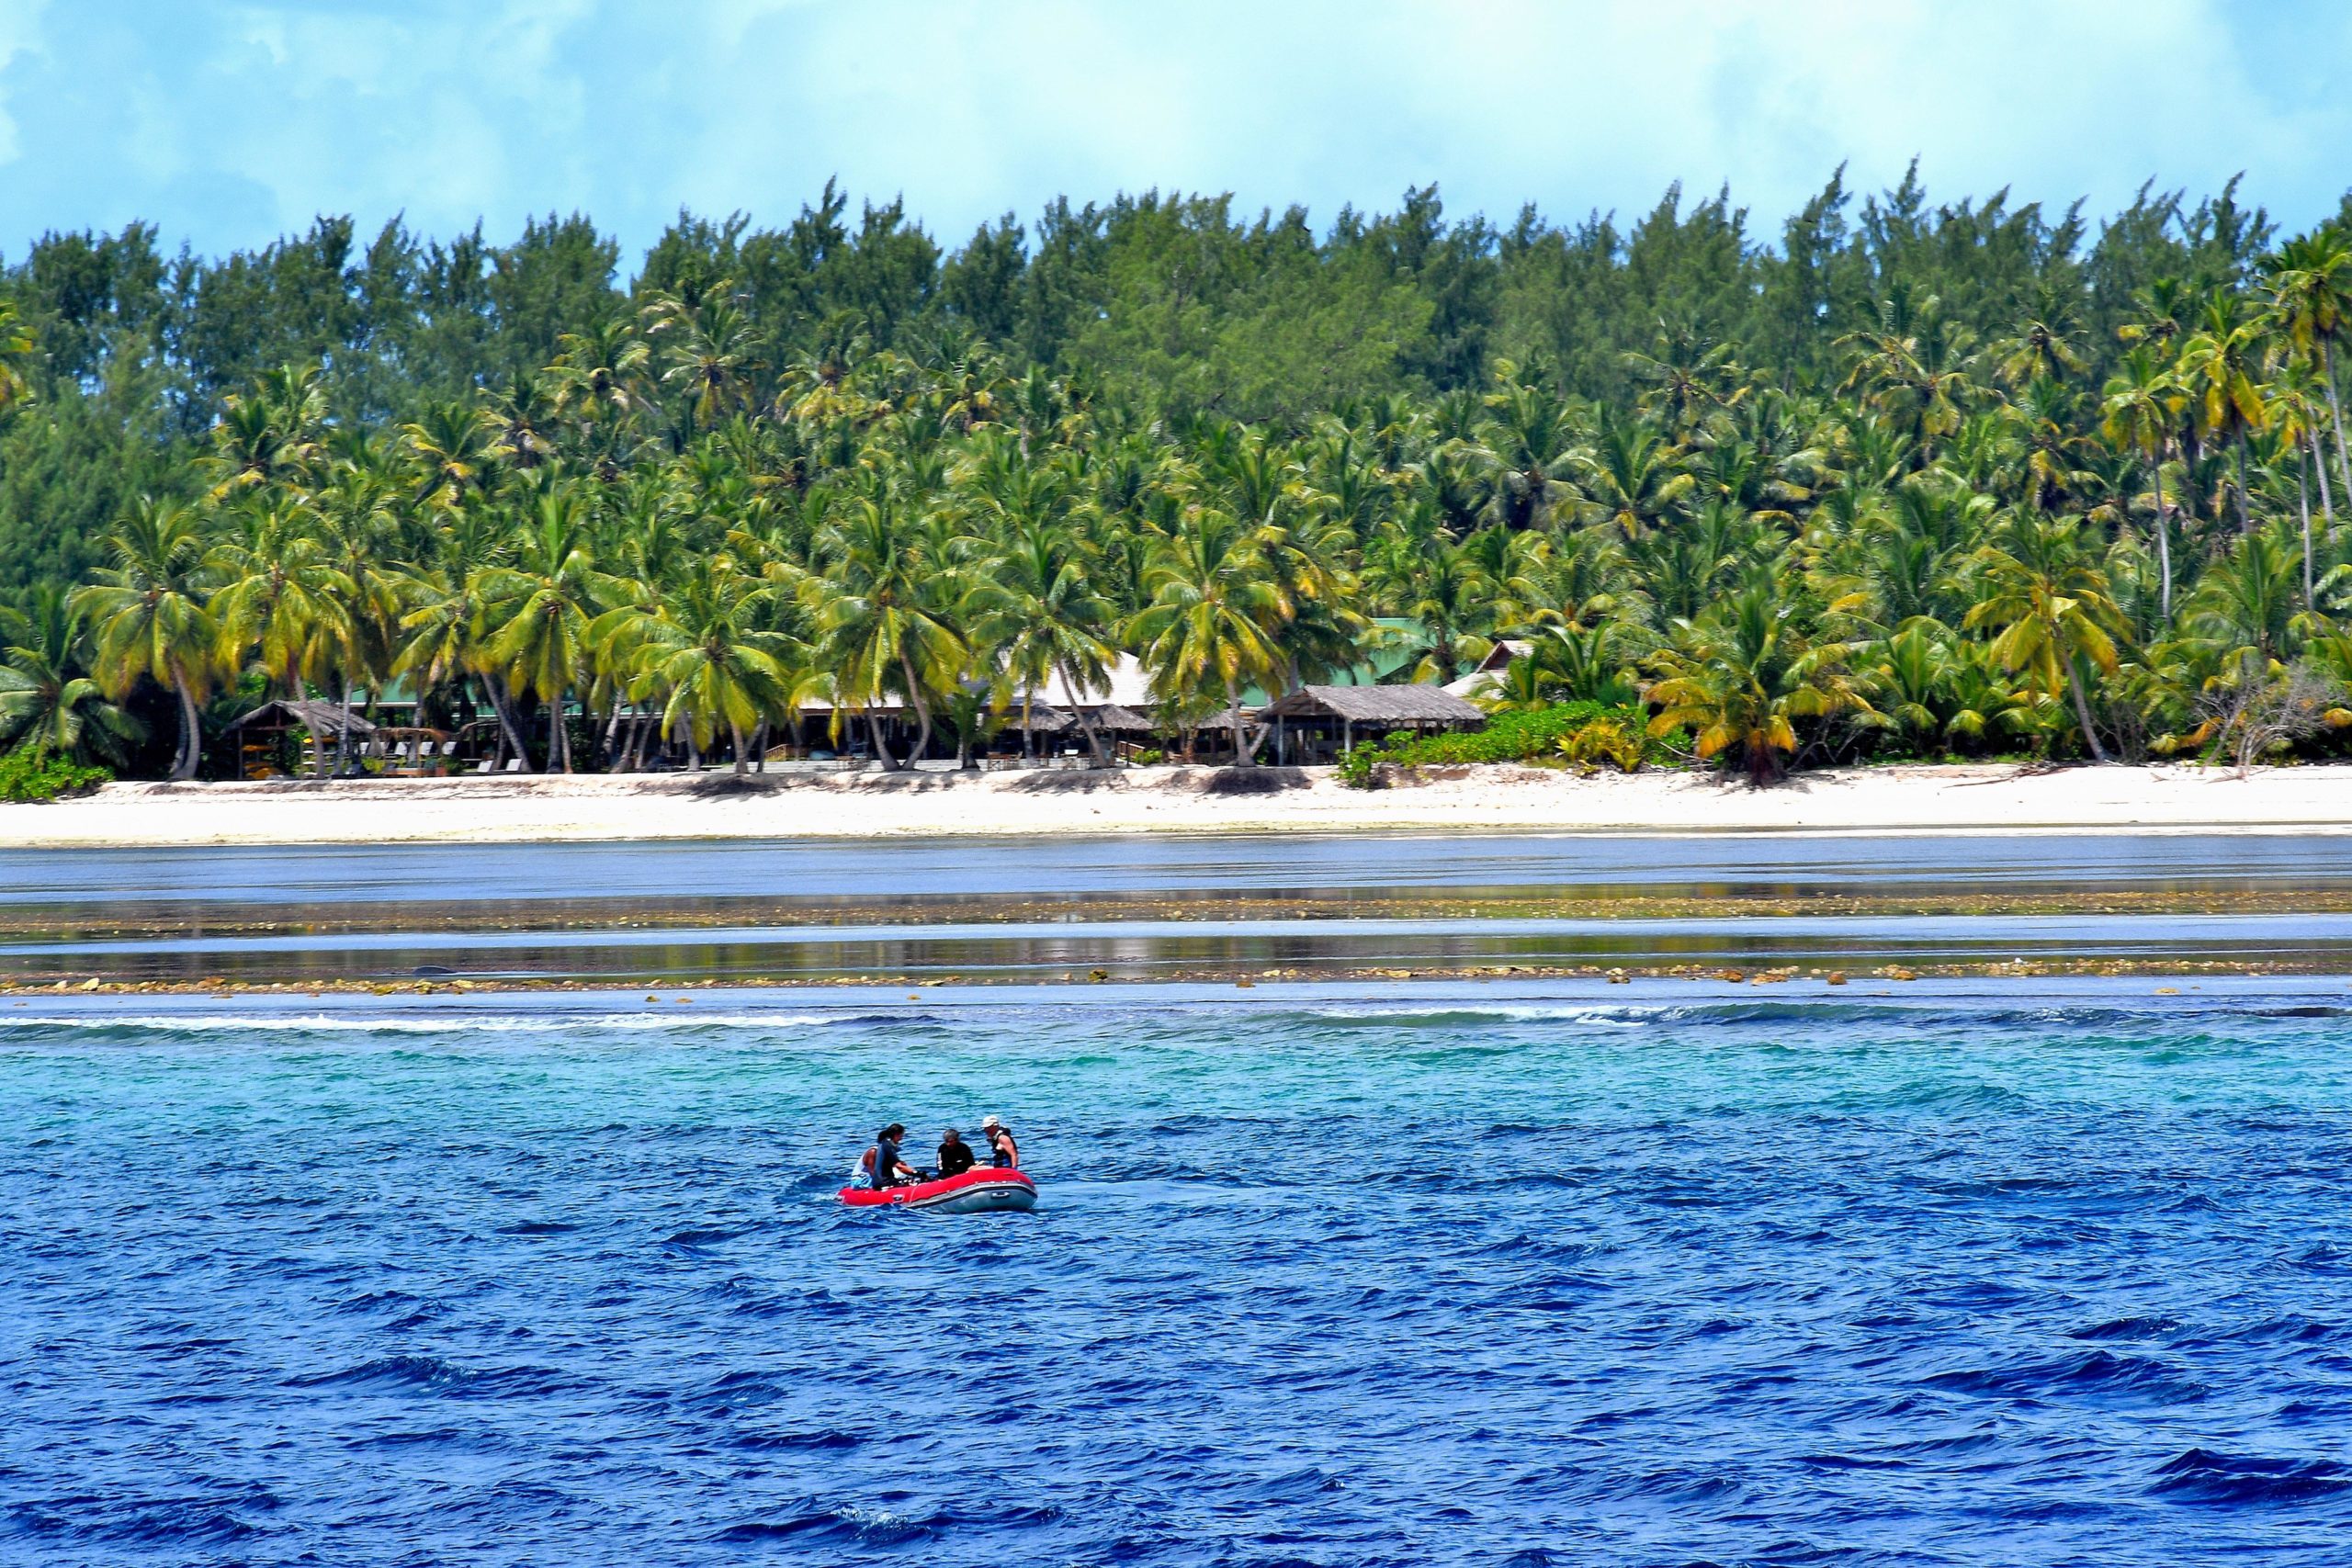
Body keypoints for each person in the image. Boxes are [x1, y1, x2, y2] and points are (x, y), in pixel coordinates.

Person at [870, 1123, 917, 1189]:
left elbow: (893, 1163)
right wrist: (917, 1173)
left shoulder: (884, 1143)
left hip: (880, 1181)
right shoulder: (888, 1146)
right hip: (884, 1182)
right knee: (914, 1181)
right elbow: (899, 1167)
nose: (901, 1139)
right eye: (901, 1136)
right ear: (896, 1134)